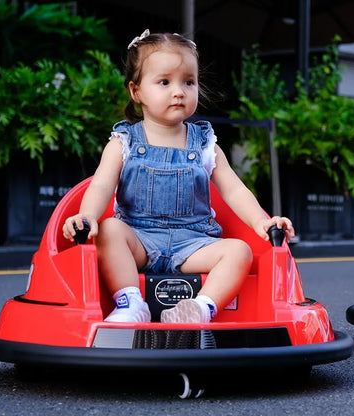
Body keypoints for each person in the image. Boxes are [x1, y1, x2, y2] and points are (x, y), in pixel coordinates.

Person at [63, 29, 295, 324]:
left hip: (194, 243)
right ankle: (131, 303)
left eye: (189, 82)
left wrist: (262, 222)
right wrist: (87, 217)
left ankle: (200, 309)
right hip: (139, 240)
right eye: (164, 82)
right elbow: (102, 184)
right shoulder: (124, 141)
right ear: (136, 92)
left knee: (240, 251)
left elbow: (234, 189)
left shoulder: (204, 143)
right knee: (108, 231)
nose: (179, 91)